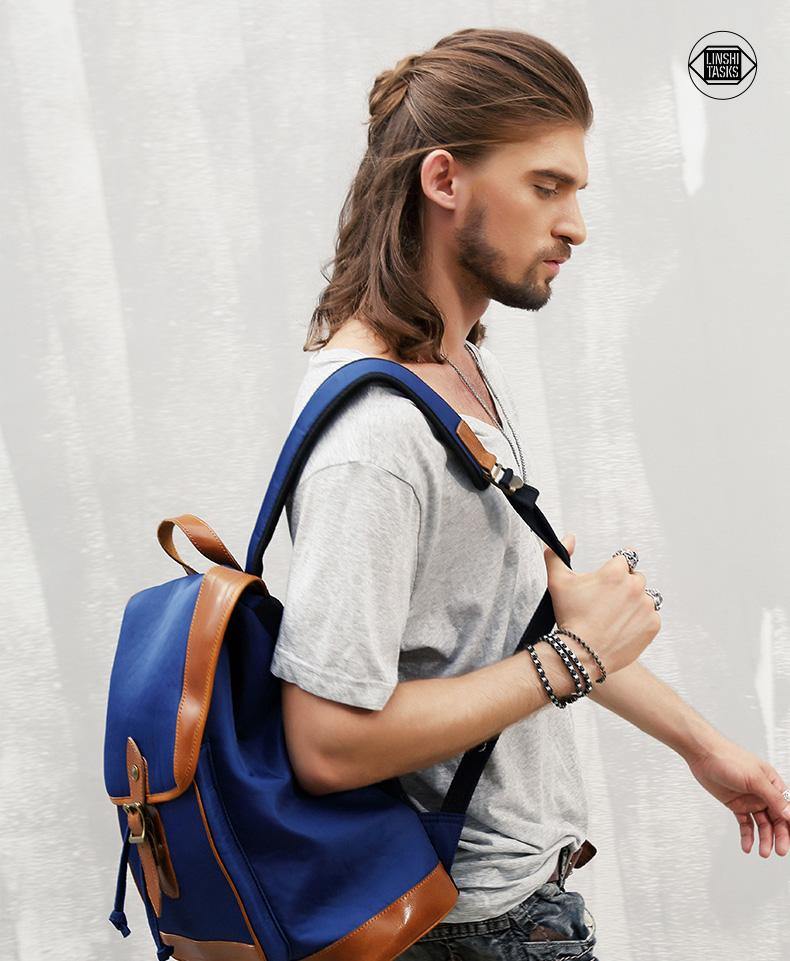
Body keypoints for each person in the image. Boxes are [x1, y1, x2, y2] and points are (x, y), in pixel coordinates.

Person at [269, 28, 790, 961]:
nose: (576, 225)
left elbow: (536, 623)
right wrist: (572, 660)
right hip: (467, 929)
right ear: (443, 180)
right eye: (547, 186)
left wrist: (707, 747)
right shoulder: (376, 437)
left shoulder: (456, 372)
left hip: (517, 907)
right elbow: (326, 742)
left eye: (576, 190)